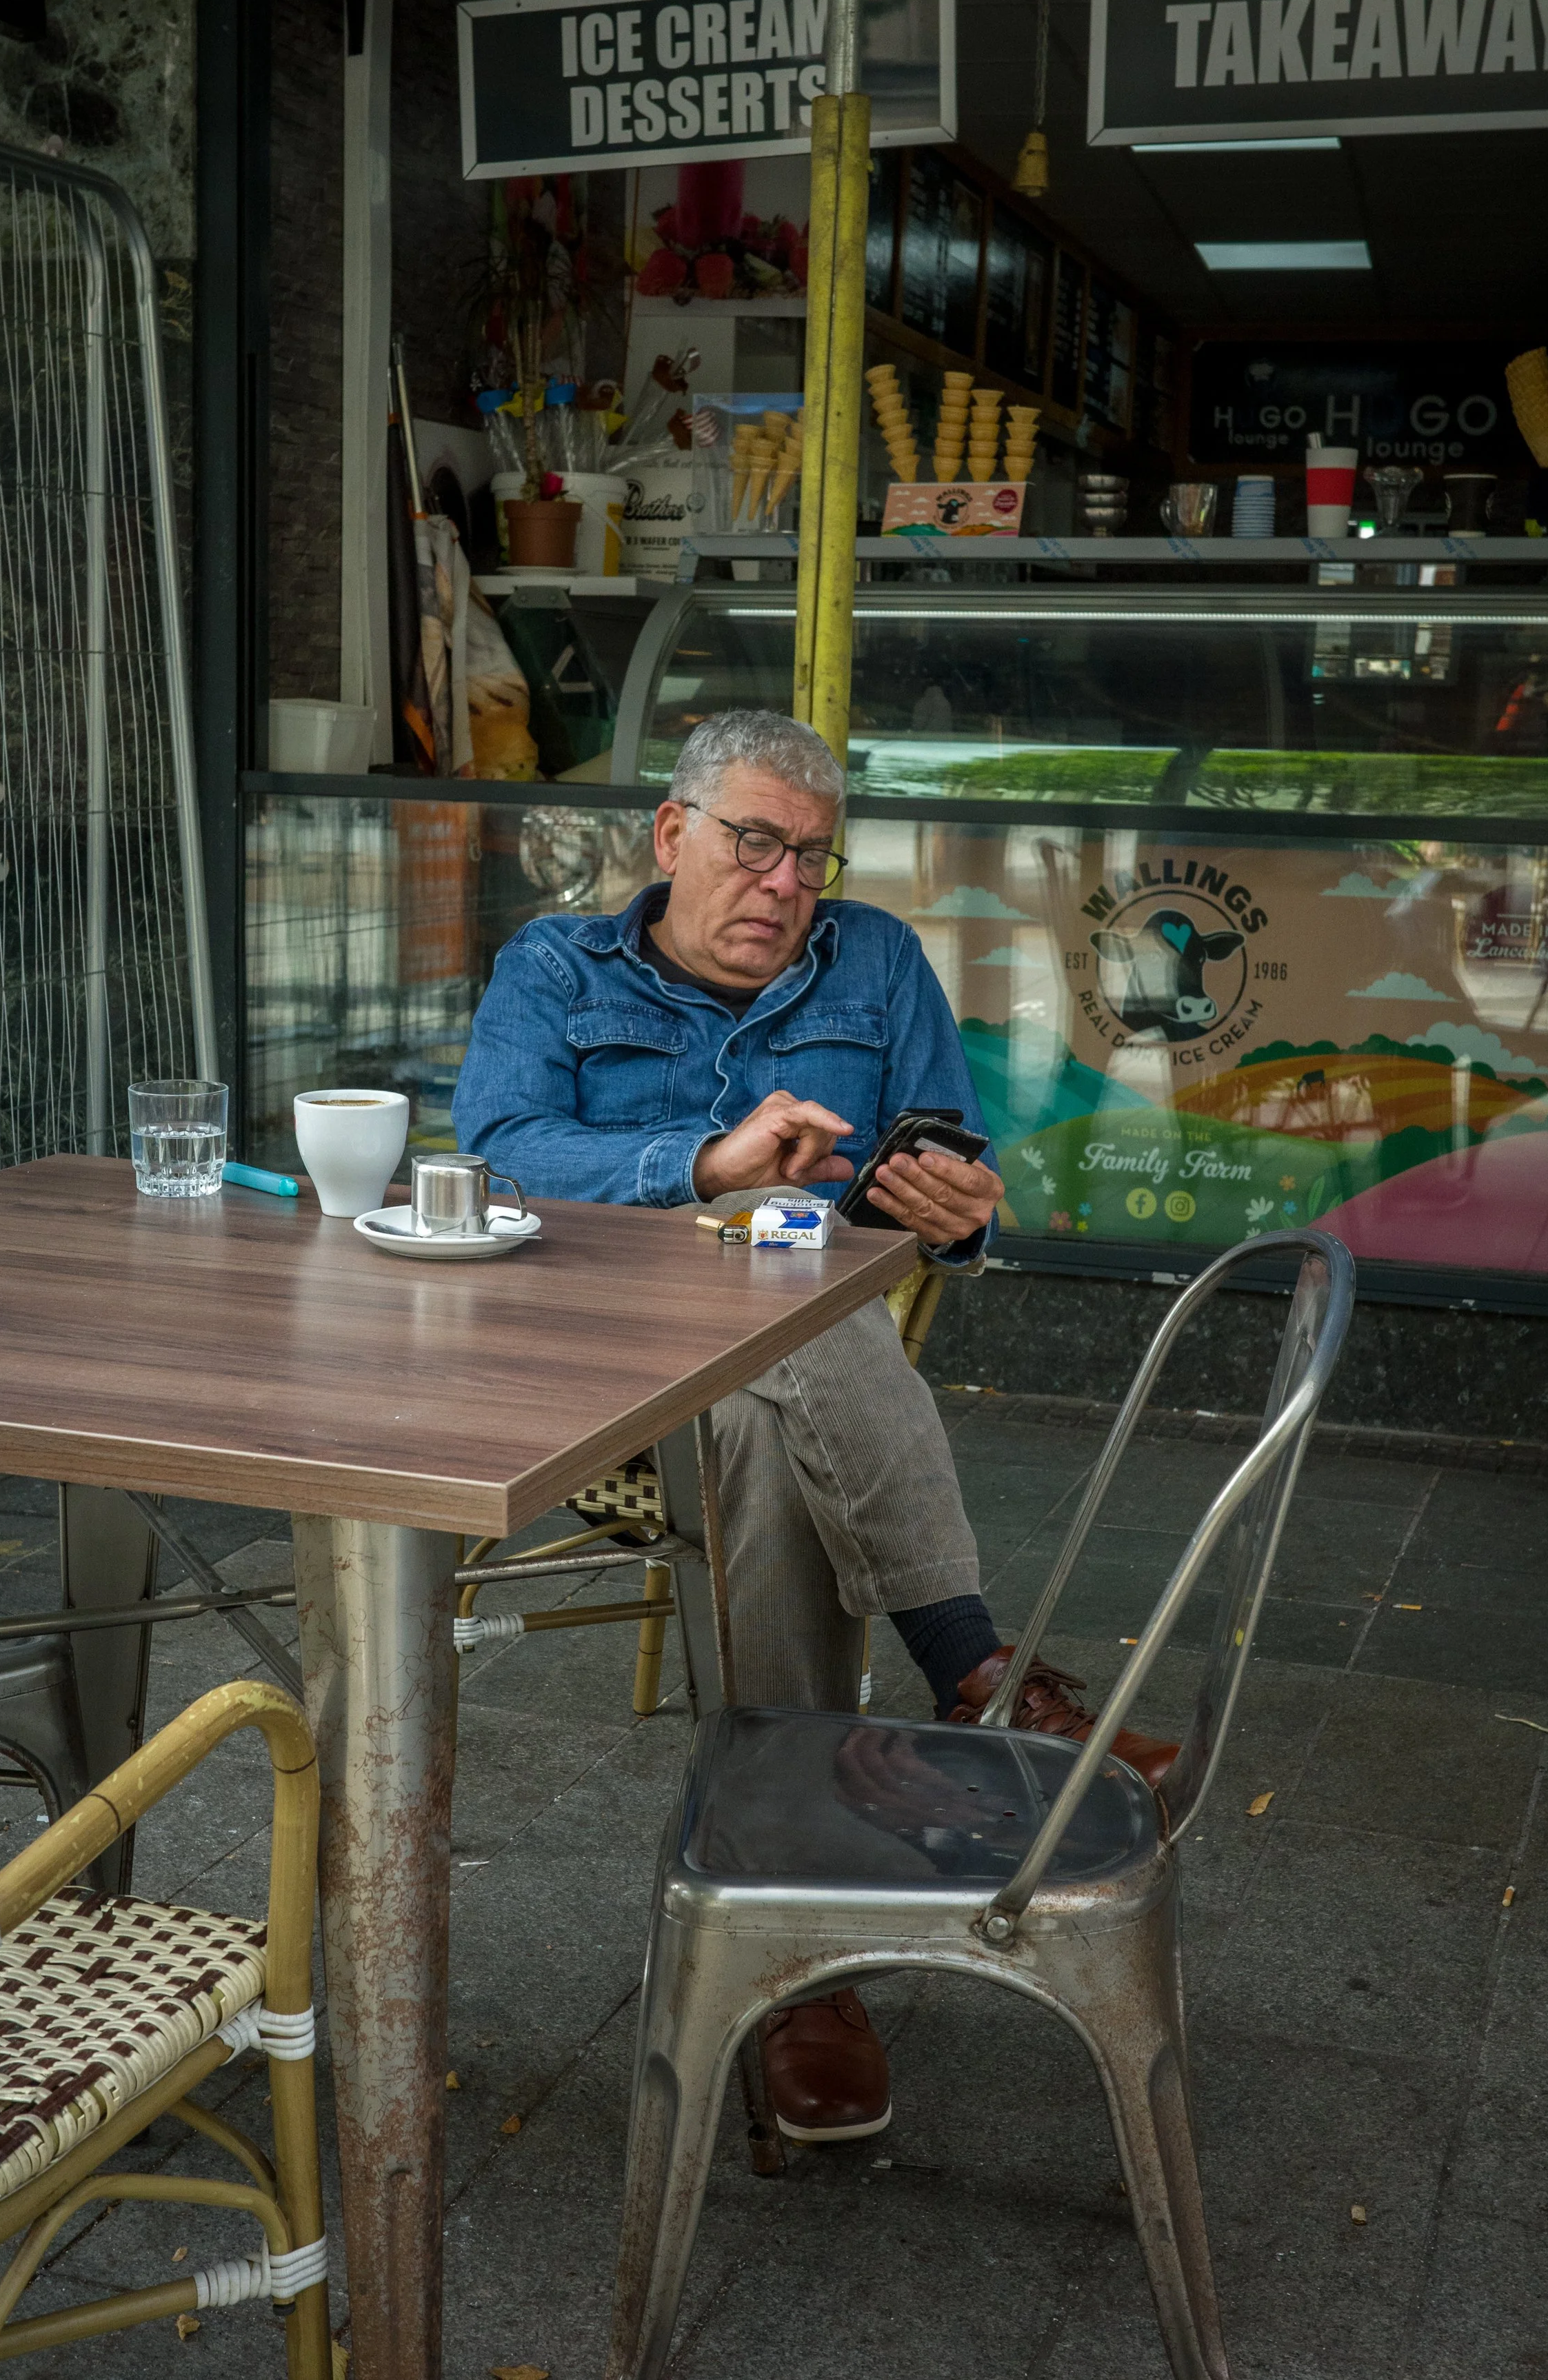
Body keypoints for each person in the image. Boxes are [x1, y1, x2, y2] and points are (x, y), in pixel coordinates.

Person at [454, 707, 1175, 2143]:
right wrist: (705, 1166)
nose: (786, 883)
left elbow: (943, 1163)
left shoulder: (877, 964)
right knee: (760, 1248)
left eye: (810, 857)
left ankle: (792, 1954)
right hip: (599, 1412)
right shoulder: (554, 967)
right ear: (671, 838)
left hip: (788, 1406)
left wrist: (959, 1216)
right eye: (754, 844)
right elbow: (499, 1156)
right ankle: (976, 1670)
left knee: (779, 1372)